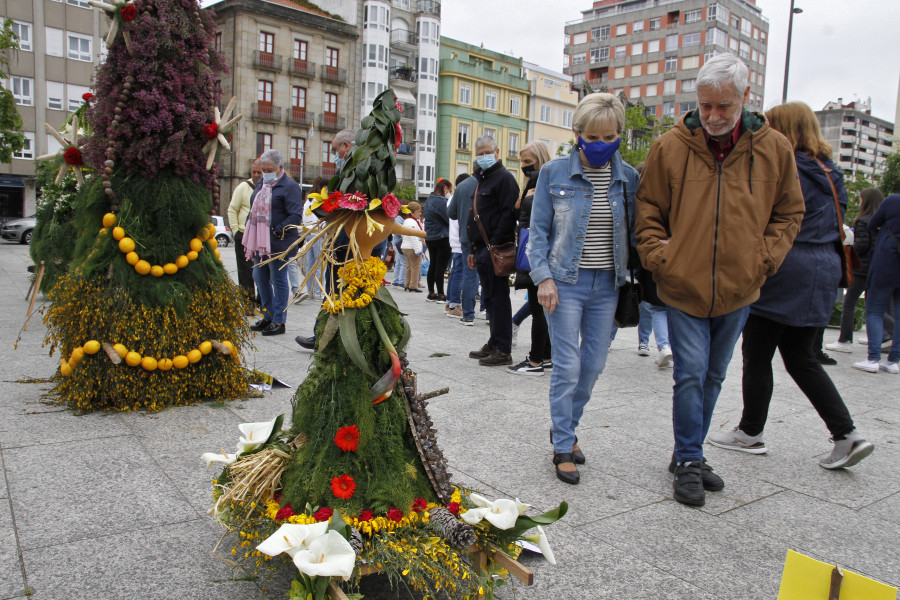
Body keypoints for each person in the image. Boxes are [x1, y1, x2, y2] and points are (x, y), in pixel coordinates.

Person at [636, 54, 805, 506]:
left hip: (739, 285)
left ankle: (684, 452)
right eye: (705, 105)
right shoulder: (670, 147)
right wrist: (661, 256)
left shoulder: (774, 148)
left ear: (745, 99)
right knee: (690, 373)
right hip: (682, 283)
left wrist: (764, 258)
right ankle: (691, 459)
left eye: (724, 107)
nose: (712, 116)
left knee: (714, 375)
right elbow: (648, 209)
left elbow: (790, 212)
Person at [708, 101, 875, 470]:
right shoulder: (830, 172)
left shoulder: (788, 166)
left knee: (757, 353)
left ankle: (750, 432)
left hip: (786, 267)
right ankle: (846, 434)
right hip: (823, 269)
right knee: (802, 357)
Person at [528, 93, 640, 484]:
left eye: (609, 136)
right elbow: (538, 232)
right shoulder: (554, 173)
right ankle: (562, 444)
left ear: (619, 135)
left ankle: (568, 429)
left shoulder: (629, 178)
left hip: (609, 284)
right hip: (564, 282)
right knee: (568, 365)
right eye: (592, 136)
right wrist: (543, 278)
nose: (600, 144)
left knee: (592, 366)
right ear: (577, 134)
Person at [296, 131, 356, 350]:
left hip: (343, 242)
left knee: (333, 291)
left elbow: (340, 209)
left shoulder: (350, 173)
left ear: (346, 146)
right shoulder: (354, 171)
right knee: (336, 291)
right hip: (346, 240)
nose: (334, 156)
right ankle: (326, 336)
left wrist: (324, 209)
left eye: (334, 150)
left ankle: (323, 337)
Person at [467, 135, 519, 367]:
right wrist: (473, 248)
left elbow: (508, 216)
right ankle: (494, 342)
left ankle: (504, 349)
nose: (484, 157)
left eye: (488, 152)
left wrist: (494, 246)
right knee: (489, 297)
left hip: (495, 249)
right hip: (481, 249)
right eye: (480, 153)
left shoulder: (505, 179)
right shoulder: (482, 179)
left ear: (497, 152)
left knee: (498, 298)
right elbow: (476, 215)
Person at [826, 189, 894, 352]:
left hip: (862, 268)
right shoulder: (884, 220)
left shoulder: (863, 221)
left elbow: (862, 245)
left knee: (849, 303)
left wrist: (847, 252)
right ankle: (886, 335)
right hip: (878, 267)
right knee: (879, 304)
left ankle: (844, 340)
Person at [244, 149, 304, 336]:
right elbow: (254, 209)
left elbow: (295, 215)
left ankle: (279, 321)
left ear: (280, 168)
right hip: (260, 242)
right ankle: (267, 316)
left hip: (279, 242)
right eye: (263, 169)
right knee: (259, 277)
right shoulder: (262, 184)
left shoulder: (290, 186)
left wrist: (279, 229)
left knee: (278, 280)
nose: (265, 173)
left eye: (269, 169)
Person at [508, 140, 553, 376]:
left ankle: (535, 361)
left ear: (540, 159)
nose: (524, 166)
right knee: (539, 306)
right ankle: (545, 356)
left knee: (539, 307)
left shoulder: (544, 184)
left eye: (528, 161)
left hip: (535, 249)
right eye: (522, 161)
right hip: (531, 248)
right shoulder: (534, 183)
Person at [854, 193, 900, 374]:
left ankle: (873, 358)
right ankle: (894, 360)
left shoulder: (893, 201)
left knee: (874, 310)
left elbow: (873, 224)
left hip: (887, 262)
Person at [227, 160, 262, 305]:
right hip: (243, 234)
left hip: (260, 236)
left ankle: (262, 300)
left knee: (261, 270)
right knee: (244, 270)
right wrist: (235, 231)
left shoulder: (267, 188)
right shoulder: (243, 187)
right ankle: (247, 300)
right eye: (253, 172)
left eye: (259, 172)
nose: (255, 175)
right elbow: (232, 209)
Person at [448, 168, 479, 325]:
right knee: (490, 275)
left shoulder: (463, 186)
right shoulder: (496, 181)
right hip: (490, 238)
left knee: (469, 274)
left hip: (468, 236)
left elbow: (451, 212)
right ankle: (489, 313)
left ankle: (468, 314)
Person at [445, 173, 470, 317]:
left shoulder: (453, 198)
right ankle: (454, 304)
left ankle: (450, 302)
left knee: (455, 272)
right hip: (460, 240)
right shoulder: (460, 197)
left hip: (455, 239)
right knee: (459, 273)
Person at [424, 179, 453, 302]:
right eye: (449, 190)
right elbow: (449, 219)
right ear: (445, 188)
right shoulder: (442, 202)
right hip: (442, 236)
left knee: (433, 265)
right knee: (441, 266)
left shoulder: (428, 200)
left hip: (430, 236)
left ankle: (431, 292)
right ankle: (441, 294)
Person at [401, 201, 425, 292]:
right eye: (418, 212)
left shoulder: (406, 221)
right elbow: (413, 236)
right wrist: (418, 250)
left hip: (405, 246)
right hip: (412, 247)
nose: (420, 214)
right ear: (412, 212)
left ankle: (407, 284)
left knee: (409, 266)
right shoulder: (412, 222)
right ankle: (413, 286)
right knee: (415, 267)